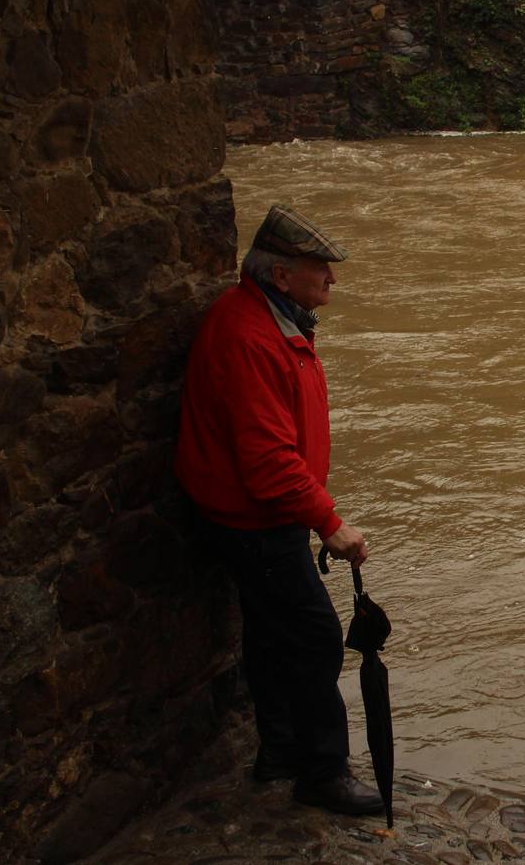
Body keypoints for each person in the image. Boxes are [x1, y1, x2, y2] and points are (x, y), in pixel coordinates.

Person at [175, 204, 380, 816]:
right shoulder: (250, 336)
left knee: (268, 634)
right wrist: (329, 521)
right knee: (315, 637)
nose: (332, 280)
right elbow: (267, 461)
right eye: (321, 269)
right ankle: (322, 773)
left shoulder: (269, 318)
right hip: (257, 521)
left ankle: (280, 751)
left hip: (254, 515)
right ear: (283, 275)